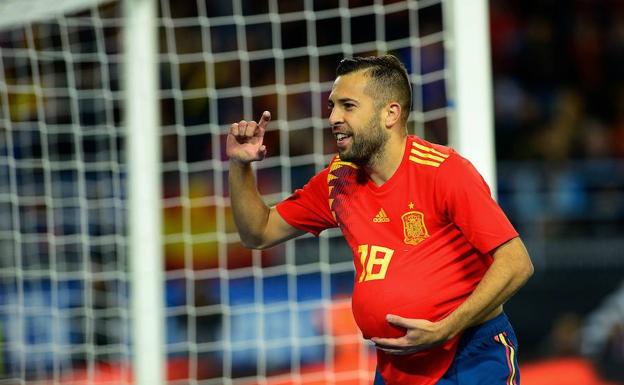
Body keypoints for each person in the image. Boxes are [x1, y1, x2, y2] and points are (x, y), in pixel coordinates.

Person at [226, 54, 534, 385]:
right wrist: (240, 166)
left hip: (470, 358)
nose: (333, 117)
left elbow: (517, 263)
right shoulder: (339, 181)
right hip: (394, 368)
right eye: (332, 106)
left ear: (390, 113)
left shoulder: (444, 172)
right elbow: (257, 232)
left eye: (348, 106)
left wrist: (447, 328)